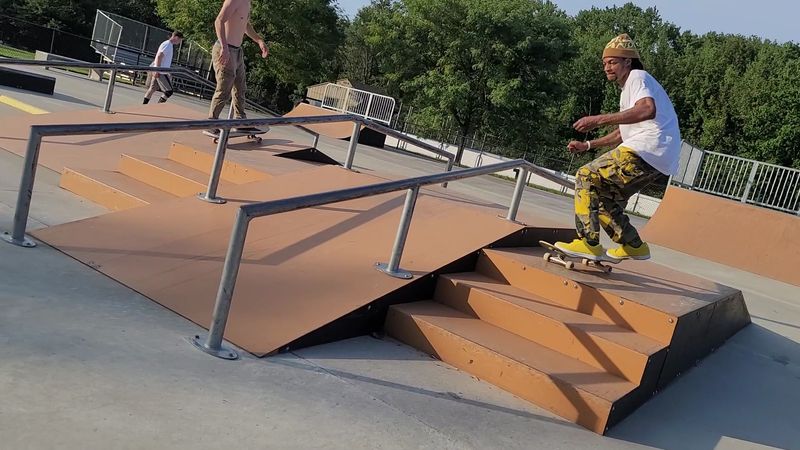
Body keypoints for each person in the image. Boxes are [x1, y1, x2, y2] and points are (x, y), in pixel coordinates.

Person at [555, 33, 681, 262]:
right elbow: (623, 131)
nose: (607, 68)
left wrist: (597, 119)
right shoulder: (629, 90)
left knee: (586, 176)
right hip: (657, 158)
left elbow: (647, 110)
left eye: (612, 62)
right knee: (603, 198)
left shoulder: (637, 77)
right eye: (604, 63)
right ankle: (633, 245)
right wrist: (588, 145)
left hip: (647, 147)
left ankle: (588, 243)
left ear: (627, 62)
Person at [206, 0, 269, 135]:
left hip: (237, 51)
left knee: (240, 87)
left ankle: (240, 120)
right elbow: (219, 21)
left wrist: (259, 40)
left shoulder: (247, 3)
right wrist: (224, 47)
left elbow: (245, 25)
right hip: (225, 49)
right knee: (224, 88)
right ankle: (211, 121)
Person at [143, 31, 184, 104]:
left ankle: (144, 105)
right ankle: (158, 107)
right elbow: (159, 56)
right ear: (176, 38)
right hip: (161, 71)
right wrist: (157, 70)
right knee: (169, 91)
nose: (179, 42)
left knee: (152, 88)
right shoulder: (167, 44)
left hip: (160, 70)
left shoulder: (168, 44)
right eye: (180, 40)